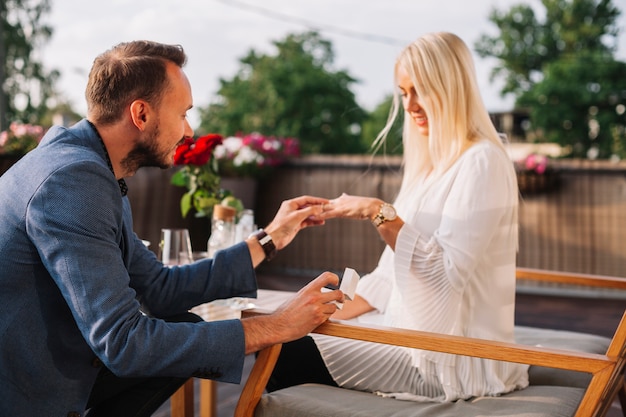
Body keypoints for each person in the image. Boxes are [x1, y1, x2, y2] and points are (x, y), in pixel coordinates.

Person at [0, 40, 344, 417]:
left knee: (183, 325)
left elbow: (160, 290)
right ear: (141, 114)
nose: (189, 130)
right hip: (27, 396)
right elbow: (124, 343)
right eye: (182, 113)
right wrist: (276, 327)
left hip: (56, 368)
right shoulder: (73, 182)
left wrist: (269, 238)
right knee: (164, 344)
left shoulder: (86, 165)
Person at [267, 32, 529, 402]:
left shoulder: (482, 161)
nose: (411, 105)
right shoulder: (430, 168)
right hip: (409, 334)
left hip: (454, 360)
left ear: (452, 87)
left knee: (285, 353)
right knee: (288, 330)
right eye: (404, 93)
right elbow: (391, 277)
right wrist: (312, 317)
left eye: (421, 90)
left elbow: (443, 282)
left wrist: (378, 212)